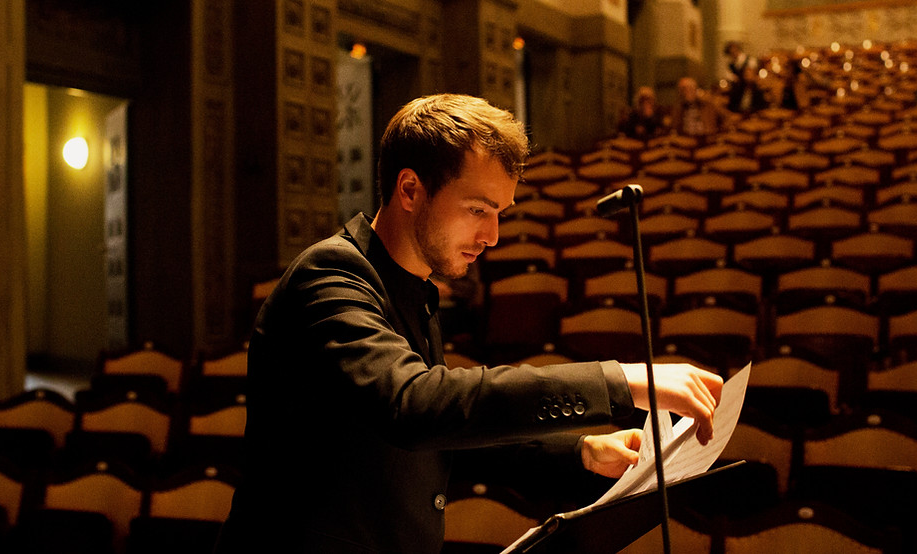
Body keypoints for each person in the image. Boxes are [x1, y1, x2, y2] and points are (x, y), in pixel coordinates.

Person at [212, 94, 724, 554]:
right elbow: (416, 407)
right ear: (409, 188)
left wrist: (581, 452)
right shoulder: (330, 276)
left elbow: (443, 438)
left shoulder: (418, 292)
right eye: (478, 209)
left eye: (500, 211)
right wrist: (621, 380)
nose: (494, 235)